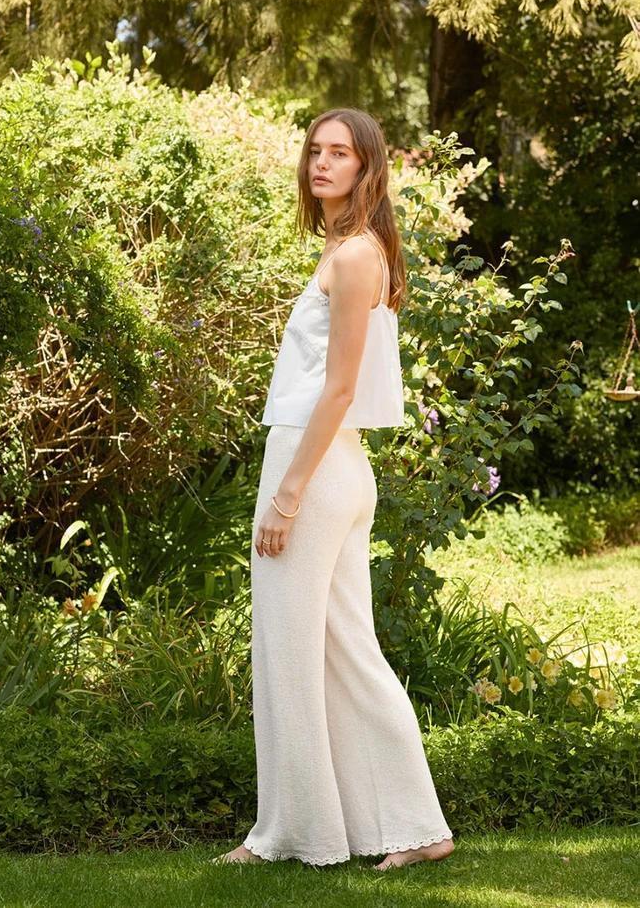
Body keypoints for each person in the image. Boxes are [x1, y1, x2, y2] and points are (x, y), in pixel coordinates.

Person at [212, 108, 455, 870]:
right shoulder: (354, 250)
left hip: (312, 468)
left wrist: (286, 496)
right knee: (346, 652)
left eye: (339, 153)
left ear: (366, 167)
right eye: (315, 150)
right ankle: (417, 829)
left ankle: (288, 834)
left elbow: (340, 389)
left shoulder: (353, 257)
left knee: (291, 655)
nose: (321, 162)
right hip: (334, 465)